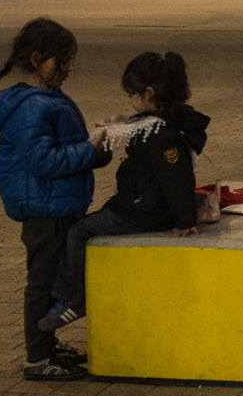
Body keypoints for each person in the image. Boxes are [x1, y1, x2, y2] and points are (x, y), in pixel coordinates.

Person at [0, 17, 110, 381]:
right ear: (37, 59)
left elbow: (63, 151)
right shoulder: (33, 106)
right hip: (45, 209)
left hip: (57, 205)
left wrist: (96, 149)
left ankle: (47, 346)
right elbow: (43, 161)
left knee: (51, 281)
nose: (68, 70)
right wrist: (89, 148)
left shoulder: (46, 99)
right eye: (62, 62)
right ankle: (37, 358)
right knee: (42, 283)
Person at [40, 50, 210, 335]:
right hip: (139, 204)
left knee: (79, 231)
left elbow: (177, 178)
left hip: (146, 212)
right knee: (98, 218)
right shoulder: (162, 121)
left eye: (131, 95)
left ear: (149, 92)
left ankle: (73, 298)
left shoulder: (161, 133)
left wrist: (185, 220)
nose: (129, 101)